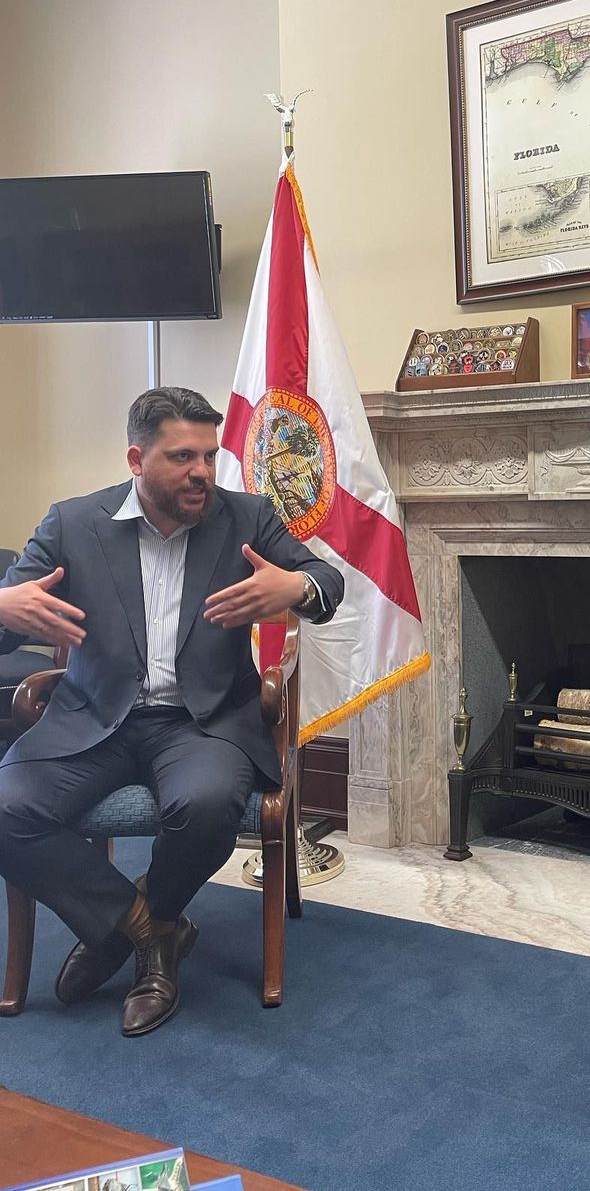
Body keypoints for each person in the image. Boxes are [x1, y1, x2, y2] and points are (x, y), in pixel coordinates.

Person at [0, 386, 344, 1036]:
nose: (202, 472)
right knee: (5, 808)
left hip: (201, 722)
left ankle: (131, 930)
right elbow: (12, 612)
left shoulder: (246, 517)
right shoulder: (73, 523)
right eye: (183, 457)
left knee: (207, 804)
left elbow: (329, 584)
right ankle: (147, 932)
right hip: (93, 719)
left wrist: (296, 585)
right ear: (137, 459)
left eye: (209, 456)